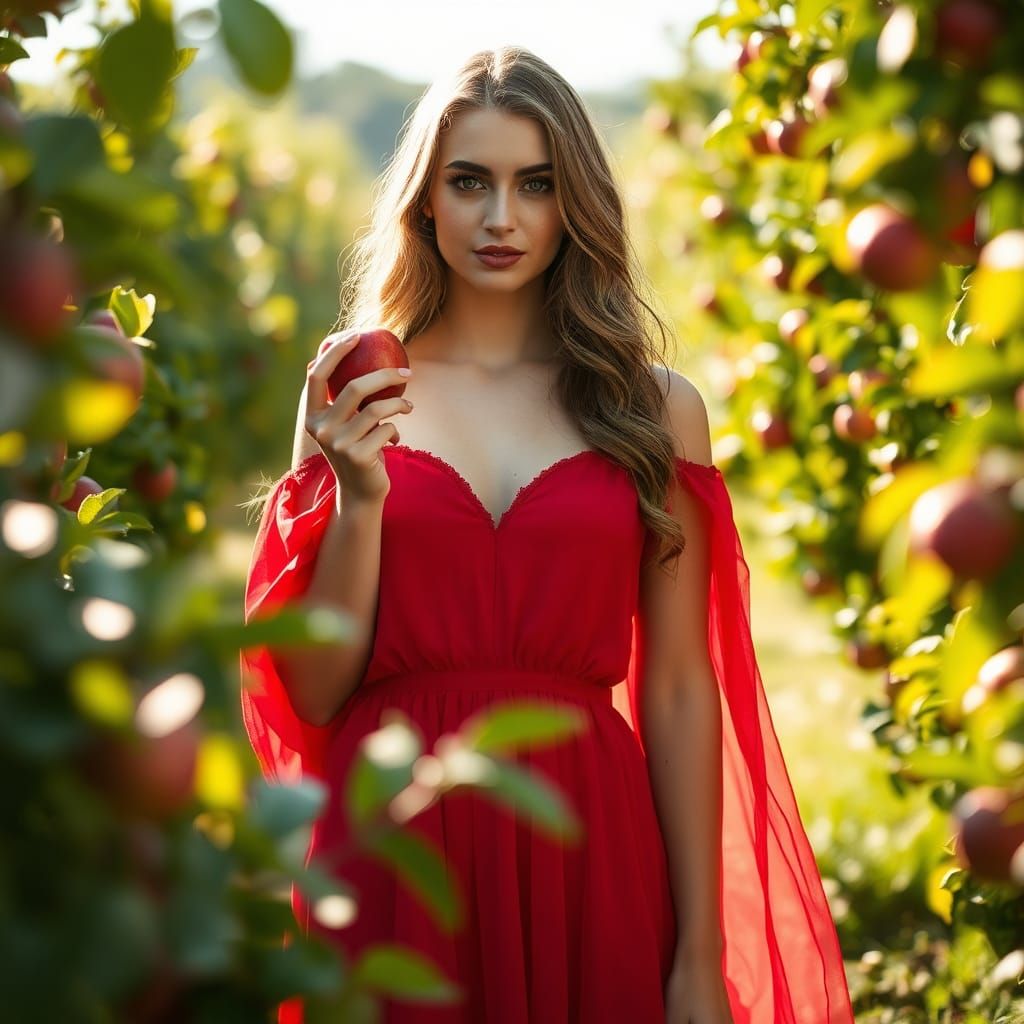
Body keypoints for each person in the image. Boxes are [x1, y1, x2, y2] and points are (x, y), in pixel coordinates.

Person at [240, 46, 855, 1024]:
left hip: (587, 841)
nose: (500, 218)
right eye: (469, 181)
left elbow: (680, 686)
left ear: (575, 202)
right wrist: (358, 499)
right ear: (423, 201)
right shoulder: (355, 387)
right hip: (395, 850)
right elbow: (312, 691)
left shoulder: (652, 406)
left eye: (536, 184)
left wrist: (699, 949)